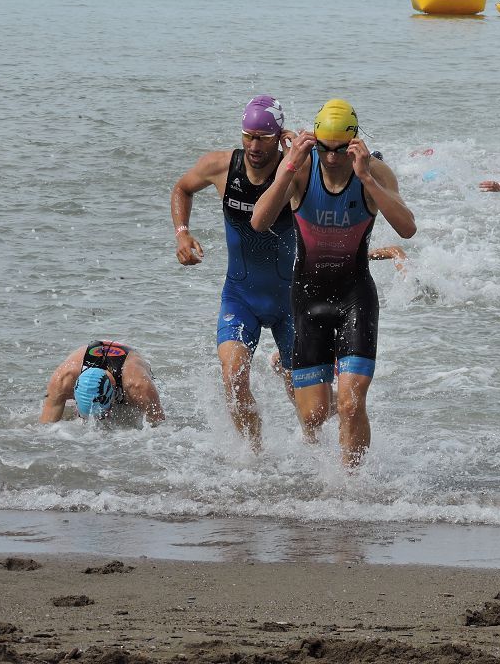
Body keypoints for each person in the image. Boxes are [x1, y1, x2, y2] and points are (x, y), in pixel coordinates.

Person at [250, 99, 416, 467]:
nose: (331, 157)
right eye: (324, 148)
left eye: (340, 149)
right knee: (314, 415)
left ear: (354, 143)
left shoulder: (375, 174)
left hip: (355, 297)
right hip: (308, 300)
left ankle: (351, 488)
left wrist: (368, 178)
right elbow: (259, 222)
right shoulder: (300, 171)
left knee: (351, 401)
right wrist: (288, 166)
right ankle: (288, 376)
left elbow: (407, 228)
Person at [170, 95, 296, 452]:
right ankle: (255, 458)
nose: (254, 146)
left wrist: (304, 146)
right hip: (240, 297)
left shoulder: (296, 172)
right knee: (233, 377)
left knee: (310, 405)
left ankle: (316, 456)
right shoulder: (221, 167)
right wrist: (182, 233)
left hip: (290, 301)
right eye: (248, 135)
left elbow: (335, 177)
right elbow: (182, 187)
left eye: (263, 138)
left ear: (278, 136)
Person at [40, 341, 164, 426]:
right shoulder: (63, 380)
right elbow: (46, 426)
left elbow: (158, 425)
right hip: (91, 354)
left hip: (130, 363)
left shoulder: (138, 386)